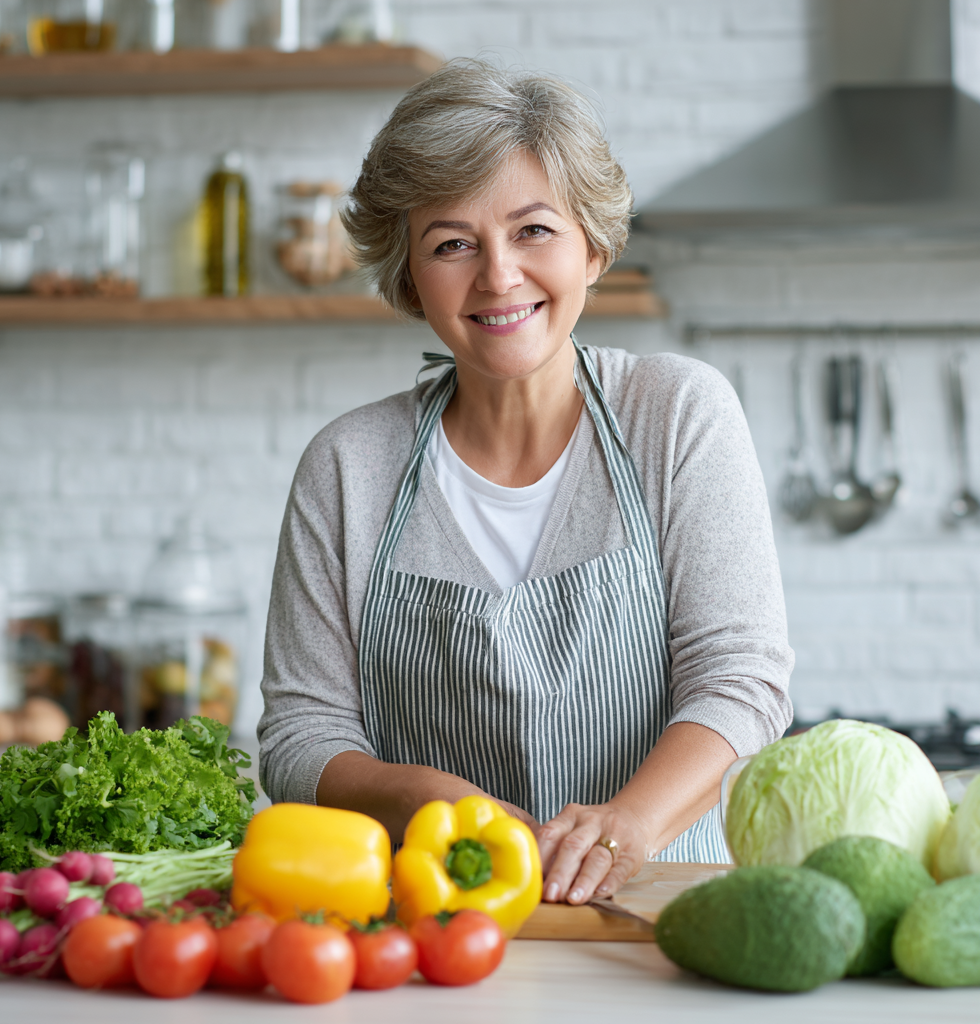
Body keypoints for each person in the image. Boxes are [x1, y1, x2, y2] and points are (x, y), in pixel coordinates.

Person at [258, 59, 793, 906]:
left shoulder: (677, 413)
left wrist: (627, 826)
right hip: (435, 928)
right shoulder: (348, 465)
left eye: (534, 230)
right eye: (452, 244)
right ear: (409, 275)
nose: (498, 275)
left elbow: (742, 680)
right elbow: (300, 735)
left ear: (594, 244)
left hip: (664, 915)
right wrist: (422, 797)